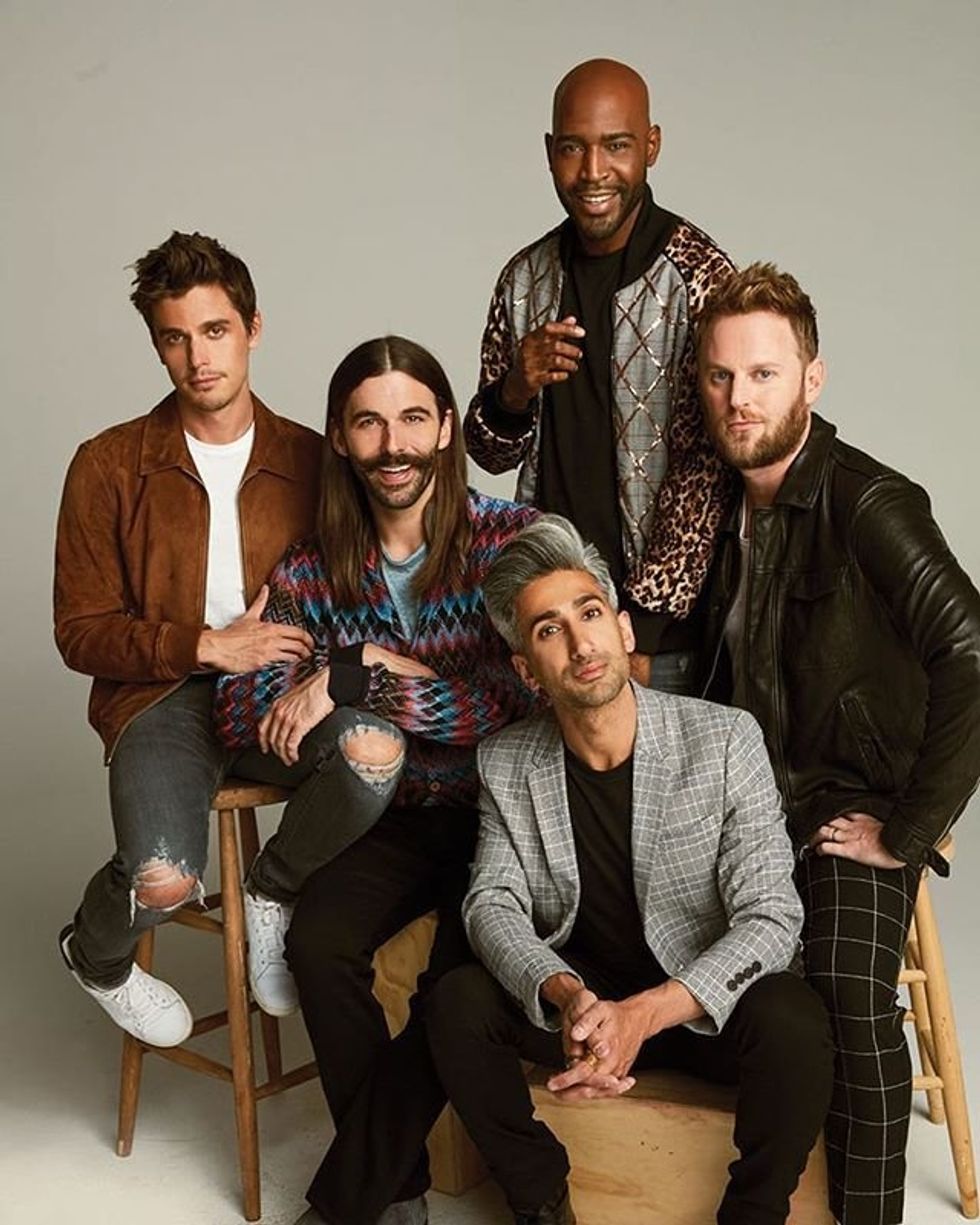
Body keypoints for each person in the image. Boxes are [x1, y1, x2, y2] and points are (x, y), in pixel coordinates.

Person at [426, 515, 834, 1225]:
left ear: (622, 629)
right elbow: (491, 902)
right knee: (456, 1000)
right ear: (526, 669)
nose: (580, 643)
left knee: (794, 1021)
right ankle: (541, 1198)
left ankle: (753, 1213)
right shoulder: (506, 760)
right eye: (549, 629)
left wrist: (645, 1013)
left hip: (695, 1006)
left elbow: (772, 916)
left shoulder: (724, 738)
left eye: (589, 614)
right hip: (586, 1012)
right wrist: (568, 996)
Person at [213, 335, 539, 1225]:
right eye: (368, 423)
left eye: (412, 419)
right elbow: (243, 713)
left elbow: (515, 704)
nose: (393, 445)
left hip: (504, 819)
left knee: (454, 989)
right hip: (389, 815)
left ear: (446, 428)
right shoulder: (311, 565)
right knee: (318, 946)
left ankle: (352, 1198)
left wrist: (357, 675)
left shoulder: (511, 540)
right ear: (339, 435)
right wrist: (394, 683)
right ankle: (394, 1193)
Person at [695, 262, 980, 1225]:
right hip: (746, 798)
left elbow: (973, 653)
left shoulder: (868, 502)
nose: (739, 398)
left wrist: (908, 829)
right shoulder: (712, 503)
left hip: (846, 796)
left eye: (764, 374)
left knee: (852, 998)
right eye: (721, 375)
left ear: (812, 380)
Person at [55, 231, 321, 1046]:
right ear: (157, 345)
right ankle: (95, 955)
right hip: (160, 697)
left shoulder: (312, 459)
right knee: (166, 882)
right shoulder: (107, 465)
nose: (198, 358)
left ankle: (272, 891)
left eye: (215, 330)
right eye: (175, 338)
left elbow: (359, 591)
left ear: (253, 328)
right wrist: (207, 645)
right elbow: (80, 632)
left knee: (380, 759)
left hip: (279, 691)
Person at [464, 58, 735, 694]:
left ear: (651, 146)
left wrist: (639, 631)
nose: (592, 171)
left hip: (664, 638)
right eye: (572, 148)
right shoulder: (525, 278)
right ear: (549, 152)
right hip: (552, 622)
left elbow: (711, 470)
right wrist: (515, 387)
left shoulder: (698, 277)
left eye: (616, 146)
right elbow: (488, 452)